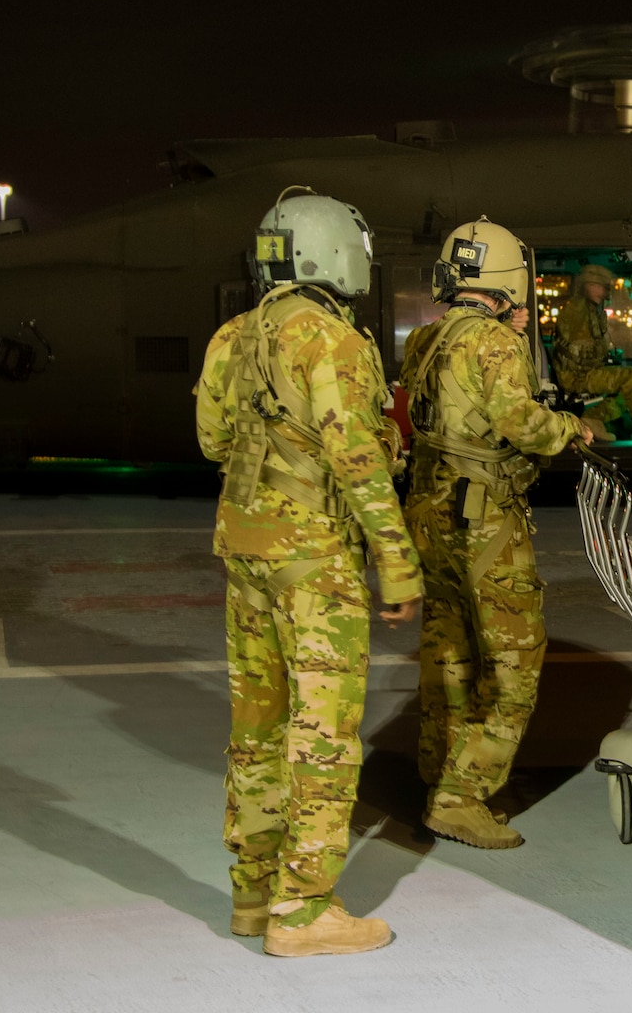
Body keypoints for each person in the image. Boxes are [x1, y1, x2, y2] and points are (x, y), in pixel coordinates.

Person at [195, 188, 422, 956]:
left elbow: (210, 440)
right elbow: (360, 463)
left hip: (246, 549)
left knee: (255, 728)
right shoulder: (335, 341)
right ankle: (304, 910)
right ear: (333, 252)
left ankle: (254, 896)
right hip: (314, 563)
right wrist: (396, 564)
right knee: (323, 733)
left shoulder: (232, 334)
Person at [401, 217, 591, 850]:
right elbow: (522, 425)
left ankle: (437, 771)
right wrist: (568, 429)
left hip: (429, 513)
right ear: (508, 280)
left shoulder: (424, 340)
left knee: (447, 651)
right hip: (483, 520)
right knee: (515, 661)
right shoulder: (496, 342)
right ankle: (462, 795)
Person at [551, 262, 632, 443]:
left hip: (581, 371)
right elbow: (577, 349)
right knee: (630, 376)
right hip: (576, 375)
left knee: (629, 389)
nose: (607, 294)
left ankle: (593, 418)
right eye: (603, 288)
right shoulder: (577, 311)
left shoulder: (589, 309)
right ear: (590, 285)